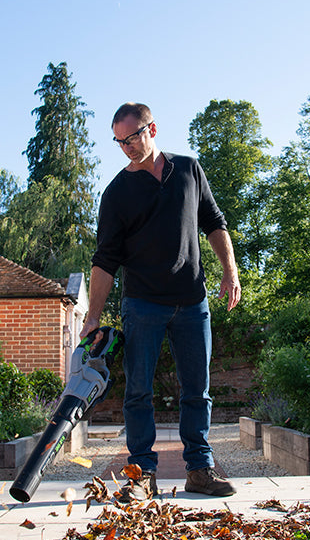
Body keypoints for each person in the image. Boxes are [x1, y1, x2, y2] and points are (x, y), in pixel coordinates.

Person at [80, 102, 242, 502]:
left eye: (132, 137)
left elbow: (214, 222)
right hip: (142, 304)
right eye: (119, 142)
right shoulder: (117, 192)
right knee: (137, 391)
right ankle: (141, 474)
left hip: (191, 301)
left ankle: (199, 470)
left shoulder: (189, 170)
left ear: (152, 128)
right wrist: (92, 317)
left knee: (197, 389)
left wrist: (230, 272)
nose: (127, 147)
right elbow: (105, 260)